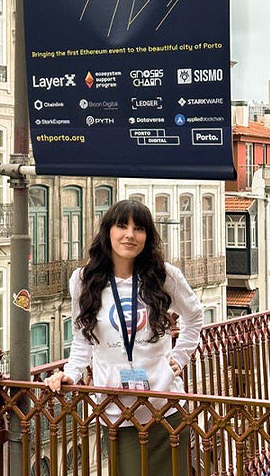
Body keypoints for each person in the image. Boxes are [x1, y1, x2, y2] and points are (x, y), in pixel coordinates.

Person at [45, 198, 204, 475]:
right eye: (122, 226)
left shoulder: (165, 276)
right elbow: (82, 337)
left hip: (165, 408)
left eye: (139, 228)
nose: (130, 234)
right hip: (116, 411)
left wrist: (179, 358)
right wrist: (70, 373)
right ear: (108, 231)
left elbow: (194, 317)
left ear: (147, 236)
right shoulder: (83, 280)